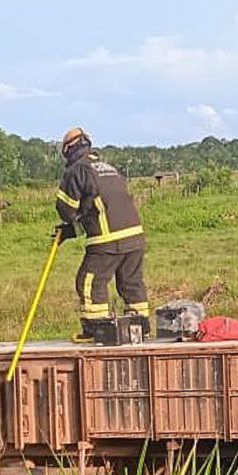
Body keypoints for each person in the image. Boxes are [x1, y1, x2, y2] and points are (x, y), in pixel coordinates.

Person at [54, 127, 149, 343]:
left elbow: (66, 209)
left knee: (89, 282)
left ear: (69, 150)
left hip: (108, 240)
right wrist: (72, 231)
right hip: (135, 238)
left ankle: (95, 330)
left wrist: (69, 222)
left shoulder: (78, 170)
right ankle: (140, 329)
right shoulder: (108, 168)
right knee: (131, 283)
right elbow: (96, 209)